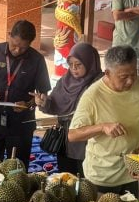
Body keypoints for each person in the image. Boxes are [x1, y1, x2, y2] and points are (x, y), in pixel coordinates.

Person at [68, 45, 139, 196]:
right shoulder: (93, 96)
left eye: (133, 73)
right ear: (107, 73)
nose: (130, 81)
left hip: (131, 172)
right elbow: (72, 135)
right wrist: (102, 127)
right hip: (102, 176)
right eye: (123, 77)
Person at [0, 20, 51, 164]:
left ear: (30, 43)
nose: (17, 50)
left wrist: (29, 104)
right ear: (9, 35)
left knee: (18, 167)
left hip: (21, 124)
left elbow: (42, 94)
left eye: (23, 48)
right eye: (14, 45)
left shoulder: (37, 60)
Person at [34, 43, 102, 175]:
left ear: (90, 62)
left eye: (78, 64)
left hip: (87, 141)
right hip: (64, 140)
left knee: (85, 179)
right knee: (66, 178)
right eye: (70, 64)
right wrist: (43, 102)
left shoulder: (100, 84)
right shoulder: (65, 81)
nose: (74, 68)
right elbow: (53, 104)